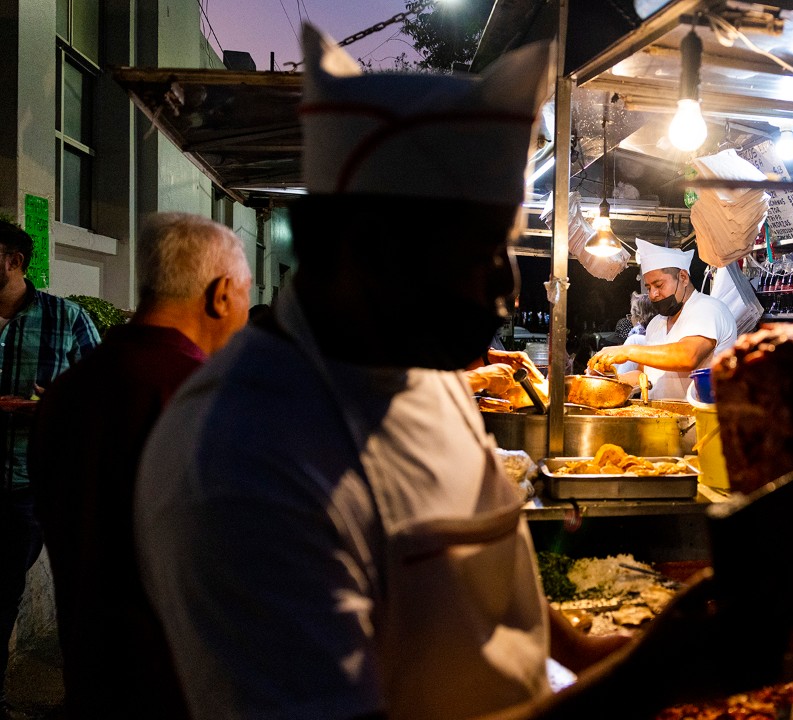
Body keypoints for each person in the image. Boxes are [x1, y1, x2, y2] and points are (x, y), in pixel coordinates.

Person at [132, 24, 623, 720]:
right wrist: (653, 679)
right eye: (480, 251)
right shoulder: (239, 459)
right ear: (367, 252)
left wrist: (595, 654)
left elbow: (470, 568)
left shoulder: (424, 369)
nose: (508, 289)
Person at [28, 212, 252, 718]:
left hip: (91, 670)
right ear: (220, 295)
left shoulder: (67, 392)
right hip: (183, 683)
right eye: (243, 295)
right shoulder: (208, 397)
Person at [0, 219, 100, 709]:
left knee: (3, 594)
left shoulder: (68, 319)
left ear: (13, 261)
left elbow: (98, 395)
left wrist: (53, 406)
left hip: (27, 484)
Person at [587, 239, 736, 400]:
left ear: (683, 277)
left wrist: (627, 351)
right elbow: (643, 375)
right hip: (662, 419)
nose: (652, 294)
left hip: (700, 420)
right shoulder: (656, 323)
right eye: (649, 287)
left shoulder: (708, 309)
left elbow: (688, 356)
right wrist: (605, 381)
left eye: (659, 285)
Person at [613, 291, 655, 377]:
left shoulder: (636, 339)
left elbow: (621, 376)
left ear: (639, 317)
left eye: (631, 315)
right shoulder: (653, 333)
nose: (630, 319)